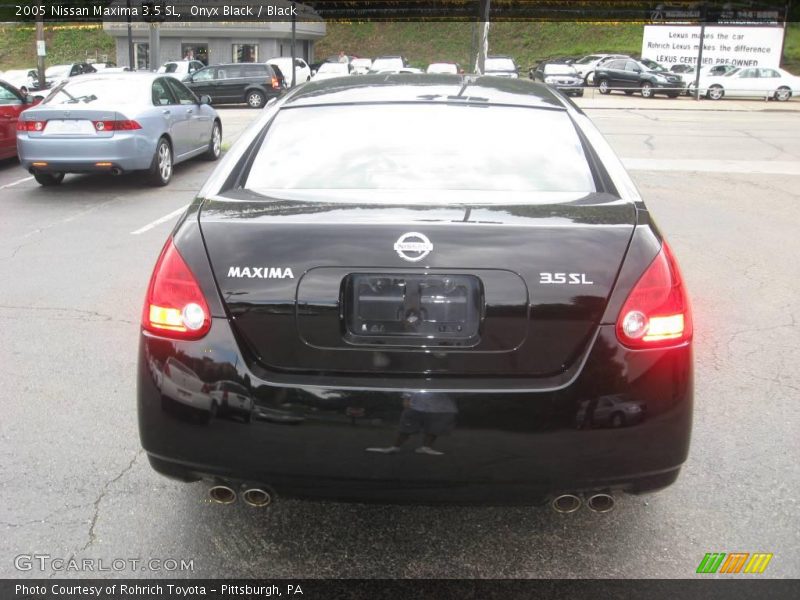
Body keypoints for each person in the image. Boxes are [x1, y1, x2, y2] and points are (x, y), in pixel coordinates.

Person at [366, 392, 458, 456]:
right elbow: (412, 383)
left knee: (435, 427)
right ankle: (395, 446)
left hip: (441, 406)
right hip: (416, 404)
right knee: (406, 426)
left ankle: (426, 447)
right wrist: (406, 398)